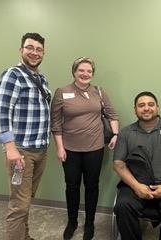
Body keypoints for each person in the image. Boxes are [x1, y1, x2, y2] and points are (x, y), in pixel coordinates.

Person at [50, 57, 119, 240]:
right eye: (81, 70)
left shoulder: (99, 92)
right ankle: (72, 222)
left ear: (92, 74)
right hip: (70, 149)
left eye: (89, 71)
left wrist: (115, 135)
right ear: (74, 71)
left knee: (92, 186)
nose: (85, 74)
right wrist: (59, 147)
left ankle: (89, 222)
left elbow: (112, 114)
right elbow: (55, 123)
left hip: (95, 148)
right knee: (71, 186)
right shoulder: (62, 92)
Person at [0, 32, 51, 240]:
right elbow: (1, 112)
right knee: (19, 204)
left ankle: (24, 237)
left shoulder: (40, 78)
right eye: (30, 48)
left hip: (40, 149)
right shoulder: (12, 75)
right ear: (21, 50)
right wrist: (10, 148)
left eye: (38, 49)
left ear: (43, 53)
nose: (34, 53)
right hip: (21, 152)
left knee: (26, 200)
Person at [113, 91, 161, 240]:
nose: (146, 108)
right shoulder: (126, 133)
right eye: (141, 105)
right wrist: (137, 186)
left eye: (151, 104)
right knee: (122, 206)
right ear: (135, 109)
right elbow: (118, 163)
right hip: (135, 185)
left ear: (157, 107)